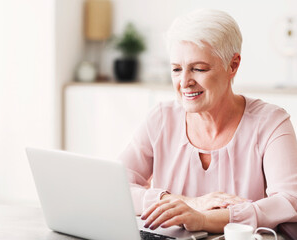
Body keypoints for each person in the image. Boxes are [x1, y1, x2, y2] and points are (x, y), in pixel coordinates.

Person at [119, 9, 297, 233]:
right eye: (176, 69)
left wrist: (203, 219)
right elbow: (117, 186)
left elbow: (290, 201)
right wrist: (189, 203)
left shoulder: (271, 123)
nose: (184, 82)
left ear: (233, 65)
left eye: (199, 69)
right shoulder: (161, 118)